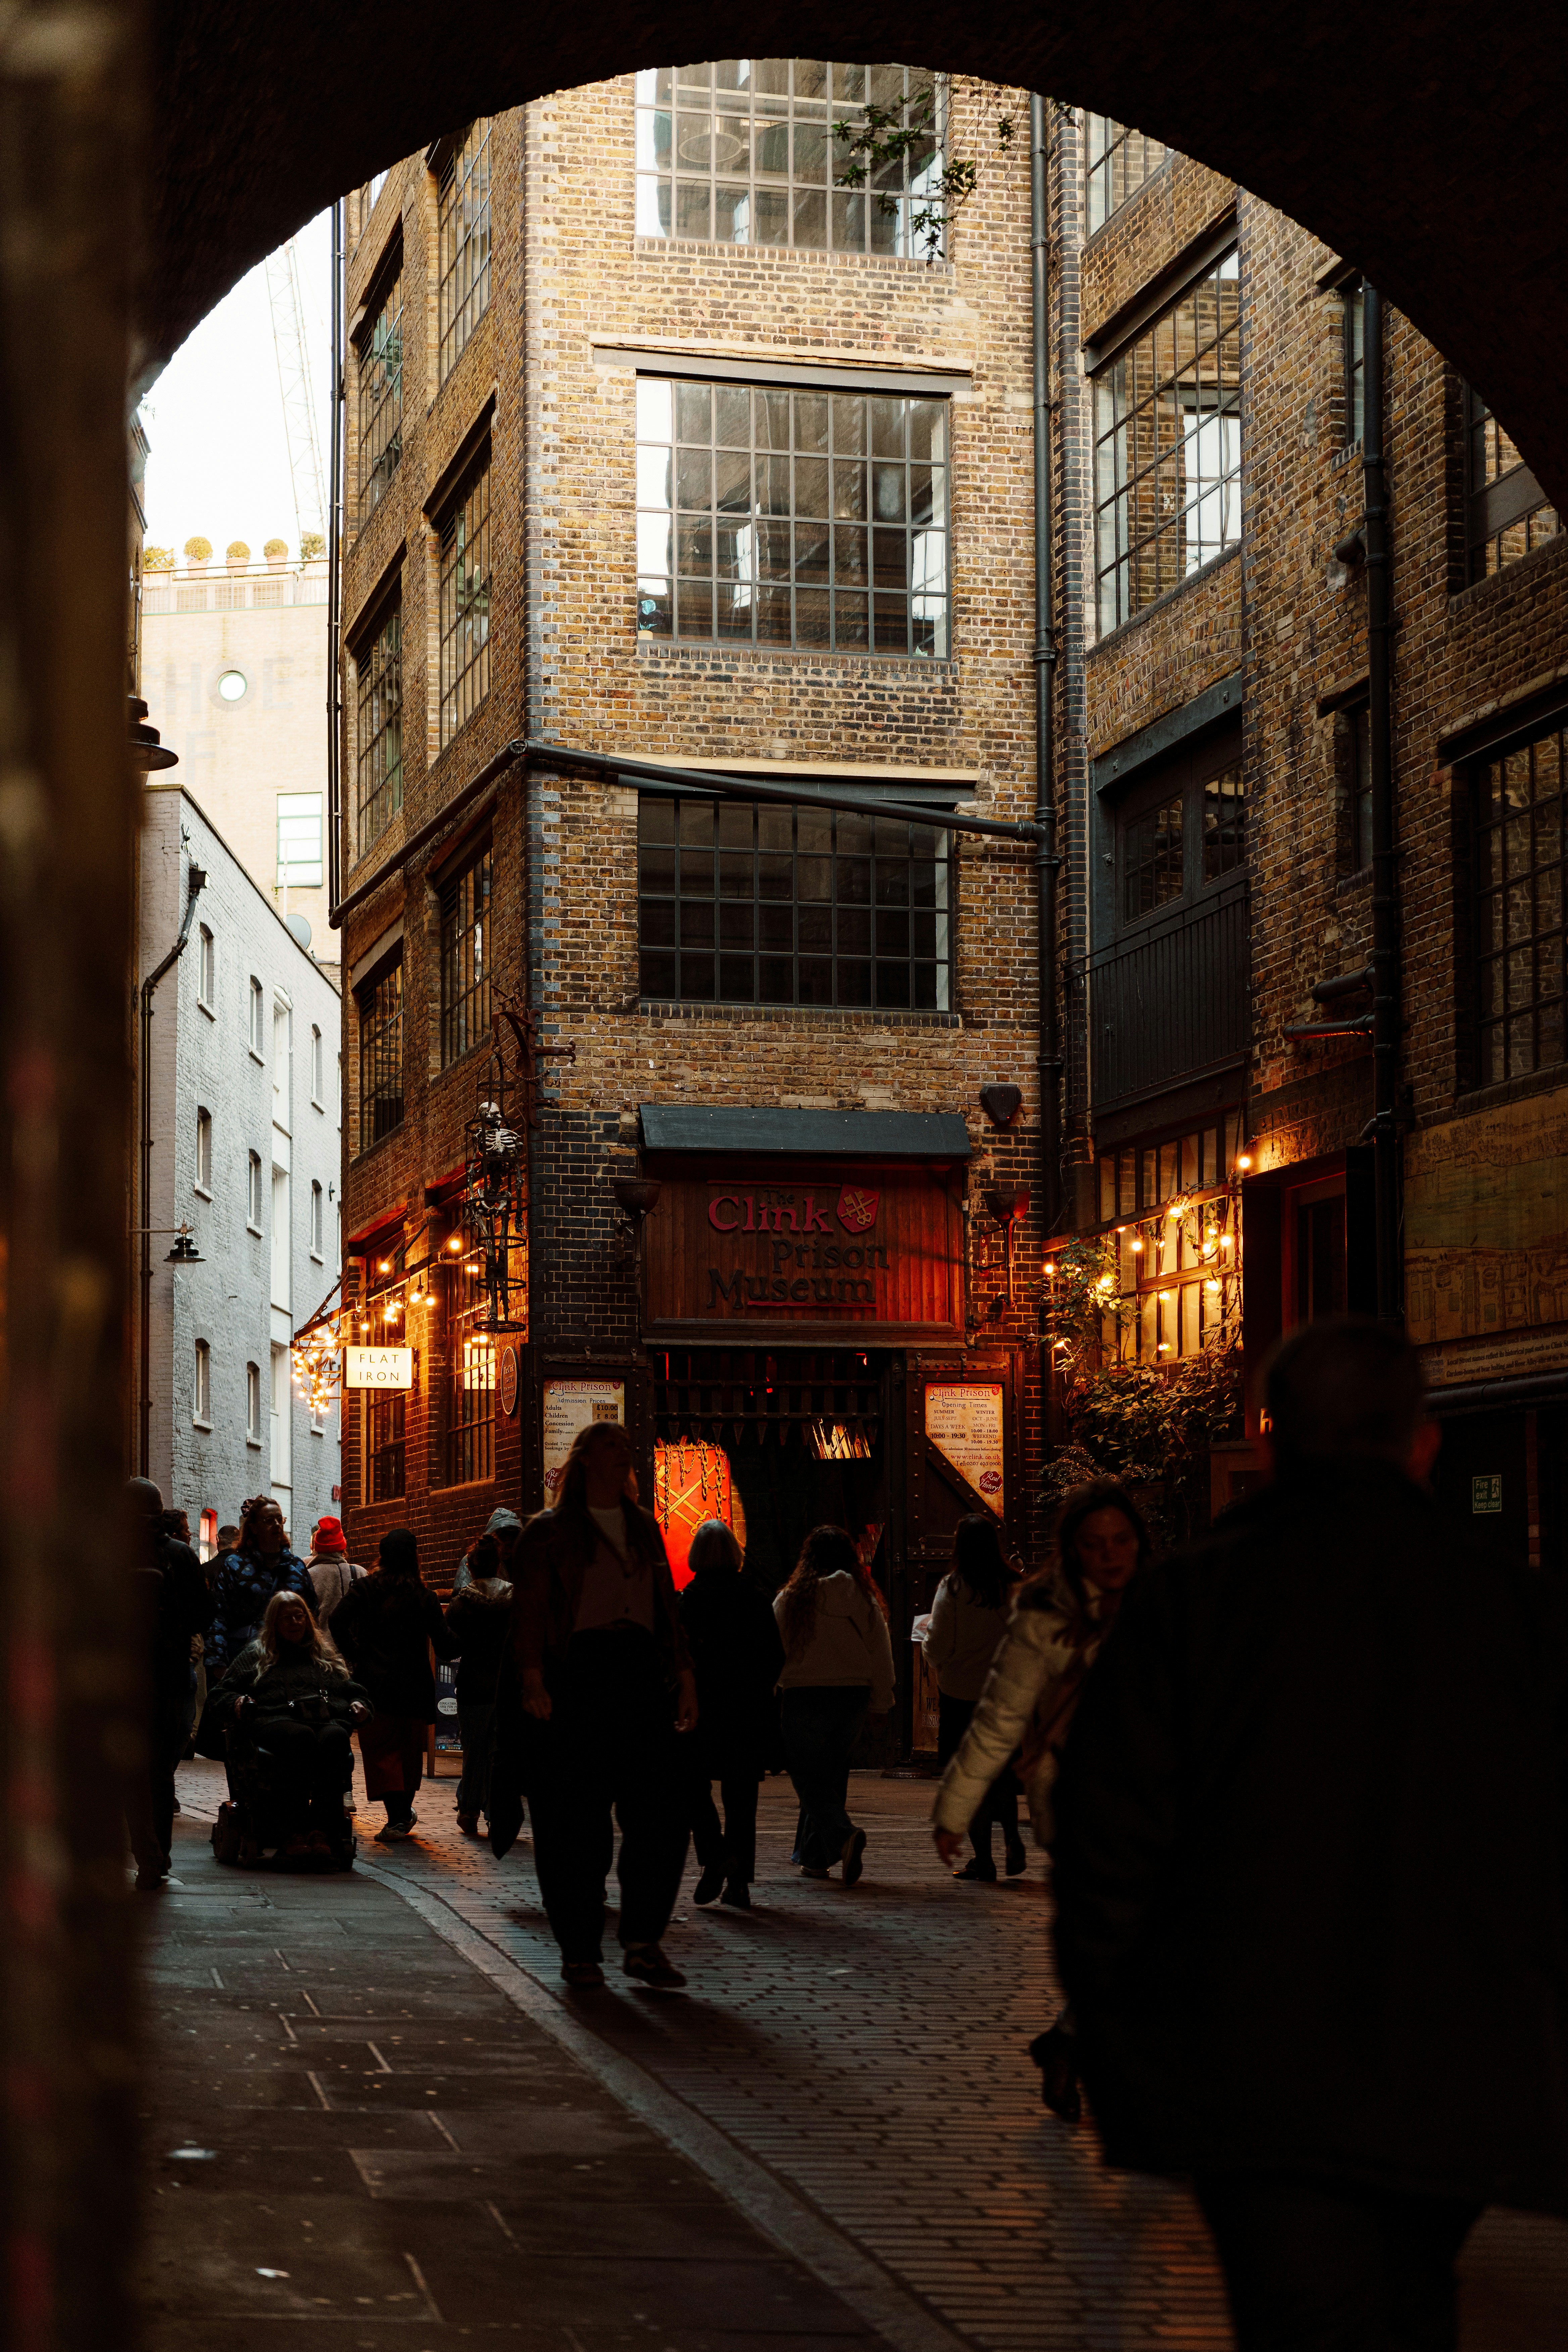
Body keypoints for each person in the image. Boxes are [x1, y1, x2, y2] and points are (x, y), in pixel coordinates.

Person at [1051, 1316, 1568, 2352]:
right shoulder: (1507, 1608)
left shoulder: (1188, 1605)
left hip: (1254, 2060)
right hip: (1455, 2052)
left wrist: (1122, 2040)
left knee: (1300, 2309)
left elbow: (1108, 1841)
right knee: (1411, 2294)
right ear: (1422, 1442)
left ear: (1274, 1443)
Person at [931, 1478, 1151, 2117]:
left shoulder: (1158, 1602)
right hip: (1079, 1794)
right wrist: (955, 1806)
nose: (1110, 1555)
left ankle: (1068, 2040)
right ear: (1073, 1550)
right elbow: (1001, 1716)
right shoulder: (1043, 1614)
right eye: (1094, 1544)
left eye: (1121, 1540)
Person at [511, 1419, 697, 1990]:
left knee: (662, 1812)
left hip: (639, 1670)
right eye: (611, 1444)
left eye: (626, 1444)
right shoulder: (550, 1531)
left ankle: (643, 1938)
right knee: (574, 1820)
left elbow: (666, 1606)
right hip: (580, 1673)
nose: (625, 1452)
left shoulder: (643, 1525)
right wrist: (533, 1678)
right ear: (585, 1459)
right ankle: (580, 1948)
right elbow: (532, 1611)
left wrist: (685, 1676)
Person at [203, 1590, 372, 1857]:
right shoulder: (257, 1655)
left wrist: (360, 1706)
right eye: (287, 1619)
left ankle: (322, 1831)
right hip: (274, 1719)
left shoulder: (322, 1655)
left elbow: (351, 1689)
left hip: (320, 1718)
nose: (295, 1623)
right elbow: (221, 1694)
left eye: (299, 1617)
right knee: (300, 1737)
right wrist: (238, 1703)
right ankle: (290, 1832)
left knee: (335, 1738)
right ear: (275, 1624)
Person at [774, 1525, 894, 1885]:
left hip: (803, 1693)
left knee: (808, 1777)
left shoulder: (792, 1599)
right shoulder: (863, 1599)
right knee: (831, 1774)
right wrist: (881, 1702)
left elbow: (773, 1650)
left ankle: (843, 1836)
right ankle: (815, 1858)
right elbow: (880, 1654)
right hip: (852, 1697)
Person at [679, 1518, 785, 1909]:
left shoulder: (689, 1600)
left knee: (692, 1784)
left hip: (703, 1708)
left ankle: (715, 1854)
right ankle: (739, 1882)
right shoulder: (755, 1598)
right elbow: (775, 1655)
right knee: (742, 1800)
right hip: (746, 1710)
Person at [330, 1527, 455, 1841]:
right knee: (409, 1752)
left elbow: (336, 1621)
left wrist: (356, 1654)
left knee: (382, 1751)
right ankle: (402, 1815)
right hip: (414, 1686)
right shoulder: (424, 1597)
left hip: (375, 1683)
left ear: (382, 1557)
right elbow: (446, 1645)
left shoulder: (365, 1589)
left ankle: (397, 1815)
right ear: (415, 1558)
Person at [921, 1513, 1026, 1881]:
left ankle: (984, 1860)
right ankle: (1013, 1838)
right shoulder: (1014, 1586)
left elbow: (938, 1645)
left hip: (961, 1694)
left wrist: (930, 1655)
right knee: (999, 1776)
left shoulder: (953, 1588)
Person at [124, 1478, 214, 1888]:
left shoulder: (110, 1553)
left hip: (125, 1680)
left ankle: (146, 1852)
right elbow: (203, 1615)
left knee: (130, 1774)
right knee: (161, 1774)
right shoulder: (180, 1555)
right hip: (170, 1677)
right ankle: (157, 1855)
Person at [444, 1530, 513, 1836]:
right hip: (507, 1687)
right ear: (499, 1565)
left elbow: (450, 1646)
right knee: (501, 1753)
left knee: (473, 1751)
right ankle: (497, 1812)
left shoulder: (462, 1604)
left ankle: (469, 1809)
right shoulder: (516, 1601)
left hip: (473, 1686)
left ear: (470, 1568)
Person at [205, 1497, 316, 1681]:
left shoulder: (296, 1566)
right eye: (269, 1521)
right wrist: (219, 1665)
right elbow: (217, 1616)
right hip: (247, 1663)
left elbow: (312, 1612)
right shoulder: (236, 1566)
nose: (277, 1525)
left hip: (290, 1663)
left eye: (279, 1520)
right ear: (254, 1528)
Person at [306, 1515, 366, 1625]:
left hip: (322, 1642)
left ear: (317, 1548)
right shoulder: (360, 1573)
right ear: (343, 1547)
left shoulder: (309, 1576)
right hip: (354, 1641)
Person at [453, 1505, 523, 1591]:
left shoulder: (521, 1562)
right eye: (504, 1544)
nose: (508, 1550)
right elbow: (461, 1595)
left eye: (512, 1544)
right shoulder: (473, 1560)